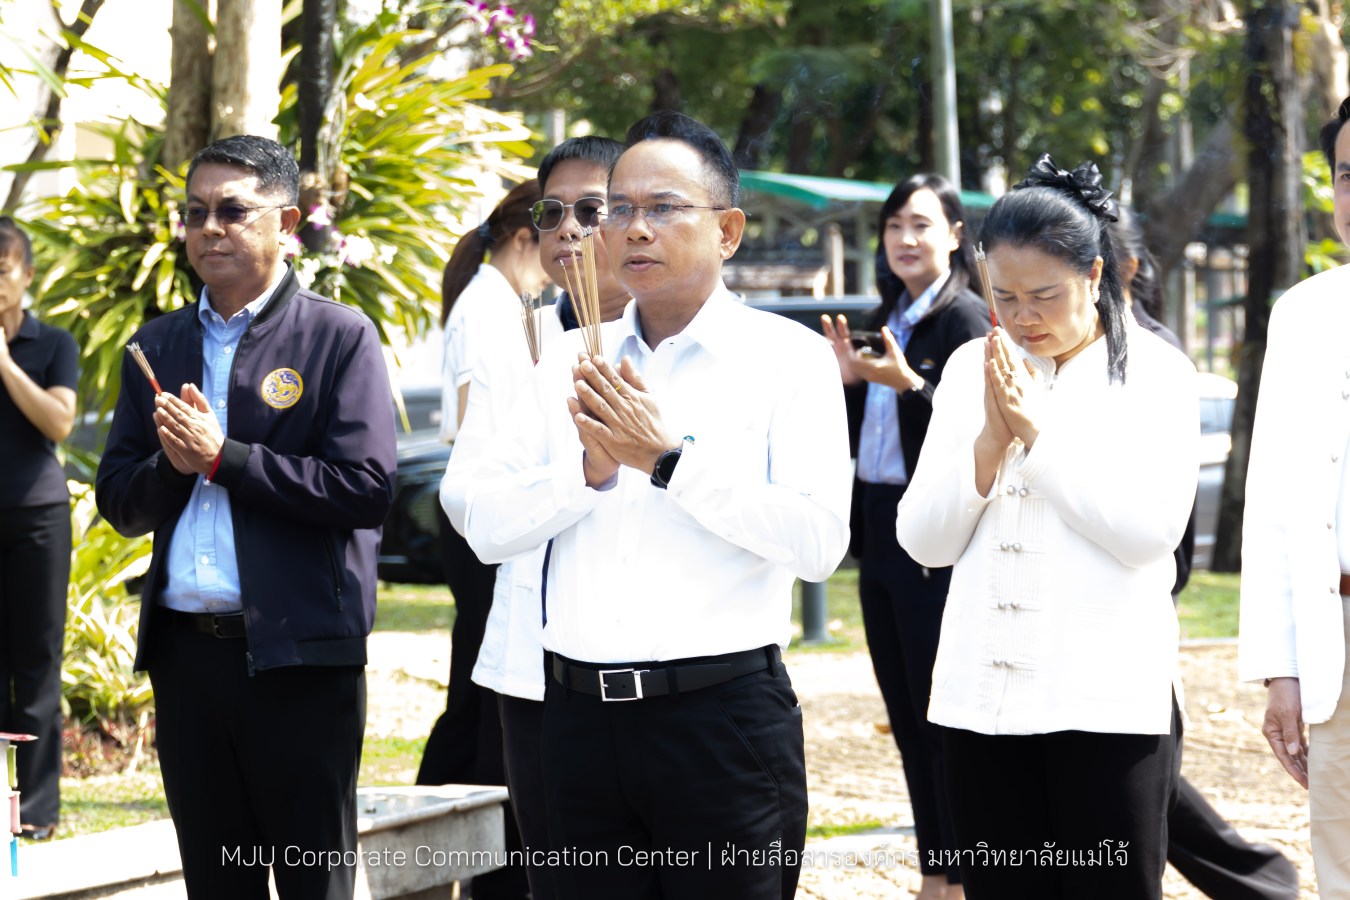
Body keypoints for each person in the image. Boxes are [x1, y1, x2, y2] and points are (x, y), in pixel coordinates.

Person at [460, 111, 852, 900]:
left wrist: (669, 462)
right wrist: (587, 473)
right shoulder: (562, 361)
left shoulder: (790, 360)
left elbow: (818, 544)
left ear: (728, 230)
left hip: (720, 723)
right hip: (574, 719)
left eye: (664, 208)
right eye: (619, 209)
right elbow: (482, 522)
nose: (634, 230)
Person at [96, 134, 396, 900]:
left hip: (300, 660)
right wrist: (175, 465)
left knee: (311, 882)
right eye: (195, 213)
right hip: (189, 661)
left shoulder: (338, 337)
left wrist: (226, 459)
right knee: (216, 882)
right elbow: (119, 502)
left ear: (286, 222)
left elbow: (364, 488)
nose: (210, 228)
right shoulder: (157, 344)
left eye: (233, 210)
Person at [896, 153, 1198, 899]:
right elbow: (923, 540)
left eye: (1044, 296)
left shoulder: (1157, 374)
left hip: (1105, 707)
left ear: (1097, 278)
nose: (1023, 317)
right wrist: (988, 447)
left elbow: (1147, 533)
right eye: (1004, 296)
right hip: (979, 705)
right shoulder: (972, 368)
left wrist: (1039, 438)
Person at [440, 134, 628, 900]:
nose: (569, 230)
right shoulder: (514, 338)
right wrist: (578, 478)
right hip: (530, 673)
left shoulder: (682, 345)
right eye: (553, 212)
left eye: (593, 210)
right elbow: (472, 504)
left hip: (647, 680)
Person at [1110, 208, 1299, 900]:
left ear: (1118, 269)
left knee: (1144, 792)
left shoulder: (1156, 360)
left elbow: (1174, 536)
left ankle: (1260, 879)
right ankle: (1261, 878)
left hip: (1135, 614)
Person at [819, 174, 988, 900]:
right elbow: (857, 440)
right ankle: (934, 871)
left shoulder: (968, 322)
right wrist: (845, 386)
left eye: (921, 225)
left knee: (944, 715)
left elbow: (976, 428)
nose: (905, 240)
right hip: (880, 534)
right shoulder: (879, 315)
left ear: (955, 234)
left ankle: (969, 874)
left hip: (937, 539)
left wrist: (906, 386)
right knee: (905, 712)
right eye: (894, 227)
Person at [417, 179, 548, 900]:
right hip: (479, 512)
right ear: (525, 236)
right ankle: (435, 841)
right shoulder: (488, 306)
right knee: (481, 684)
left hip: (490, 509)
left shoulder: (507, 302)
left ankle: (460, 843)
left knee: (480, 682)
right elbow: (475, 423)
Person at [1240, 94, 1350, 898]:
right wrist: (1282, 669)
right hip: (1336, 640)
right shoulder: (1305, 315)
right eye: (1348, 176)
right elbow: (1276, 504)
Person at [0, 216, 78, 842]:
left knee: (36, 663)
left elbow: (58, 423)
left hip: (36, 518)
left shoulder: (54, 343)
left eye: (2, 272)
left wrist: (3, 363)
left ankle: (35, 810)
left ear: (26, 275)